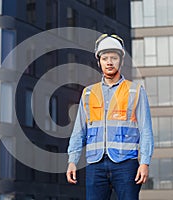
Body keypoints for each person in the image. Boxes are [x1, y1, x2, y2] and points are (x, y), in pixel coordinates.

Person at [66, 33, 154, 200]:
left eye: (113, 57)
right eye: (105, 58)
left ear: (120, 61)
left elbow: (146, 130)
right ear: (99, 62)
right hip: (95, 165)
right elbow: (79, 131)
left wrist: (144, 162)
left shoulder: (135, 91)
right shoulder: (88, 93)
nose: (109, 62)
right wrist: (72, 160)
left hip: (126, 165)